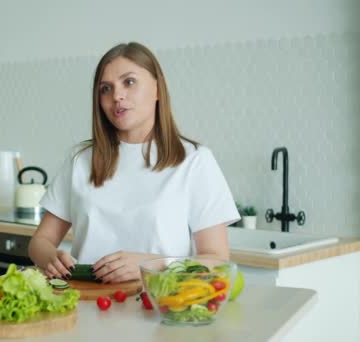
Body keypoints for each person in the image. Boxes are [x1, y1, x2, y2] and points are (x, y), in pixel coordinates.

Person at [28, 42, 239, 284]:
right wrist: (50, 257)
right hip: (85, 303)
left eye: (129, 82)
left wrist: (151, 265)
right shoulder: (80, 159)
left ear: (158, 89)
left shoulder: (194, 160)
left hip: (161, 306)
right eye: (106, 89)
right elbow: (39, 242)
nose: (116, 96)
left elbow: (217, 259)